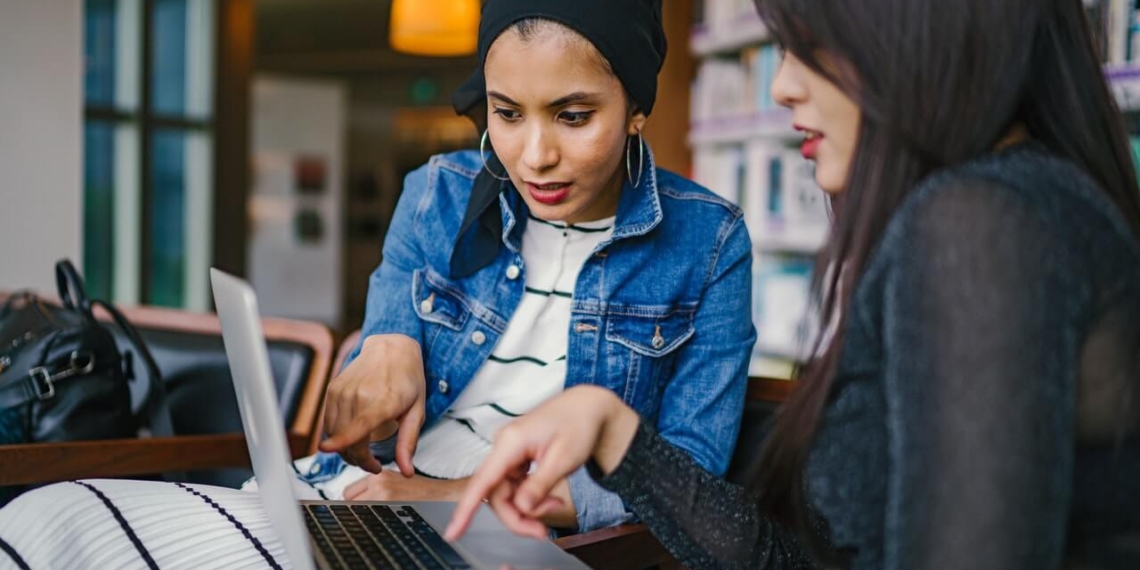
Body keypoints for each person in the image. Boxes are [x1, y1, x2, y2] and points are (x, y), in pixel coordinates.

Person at [447, 0, 1140, 567]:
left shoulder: (981, 225)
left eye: (810, 43)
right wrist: (613, 432)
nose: (782, 86)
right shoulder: (1008, 208)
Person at [300, 0, 756, 535]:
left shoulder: (710, 241)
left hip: (507, 532)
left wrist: (455, 497)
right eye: (508, 113)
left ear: (636, 108)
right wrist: (385, 341)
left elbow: (686, 476)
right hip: (353, 492)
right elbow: (383, 361)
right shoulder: (436, 192)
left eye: (573, 116)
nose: (535, 156)